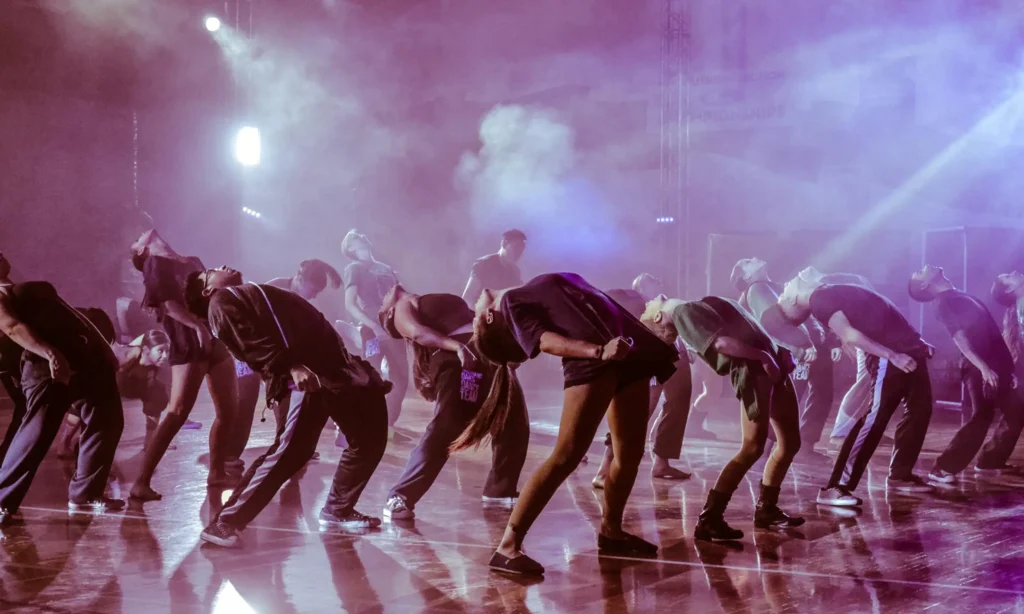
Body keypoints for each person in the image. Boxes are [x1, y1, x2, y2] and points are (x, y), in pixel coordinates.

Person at [461, 272, 677, 576]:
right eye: (477, 315)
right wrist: (598, 351)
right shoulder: (511, 300)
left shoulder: (531, 289)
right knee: (567, 455)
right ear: (491, 316)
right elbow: (544, 340)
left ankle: (611, 532)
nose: (480, 294)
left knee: (629, 453)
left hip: (629, 358)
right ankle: (507, 548)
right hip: (595, 360)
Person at [184, 265, 391, 547]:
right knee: (292, 450)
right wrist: (292, 367)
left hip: (332, 372)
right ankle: (225, 522)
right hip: (304, 376)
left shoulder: (249, 292)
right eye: (211, 271)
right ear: (208, 290)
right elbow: (250, 342)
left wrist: (352, 368)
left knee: (368, 437)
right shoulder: (223, 301)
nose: (221, 266)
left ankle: (338, 509)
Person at [642, 294, 804, 541]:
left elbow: (741, 334)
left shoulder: (693, 307)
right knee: (752, 448)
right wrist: (765, 356)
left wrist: (776, 352)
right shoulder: (685, 310)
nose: (648, 302)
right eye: (646, 307)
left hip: (769, 368)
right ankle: (710, 518)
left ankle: (767, 509)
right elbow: (722, 345)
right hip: (755, 373)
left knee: (789, 443)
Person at [778, 276, 935, 507]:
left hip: (909, 351)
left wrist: (916, 341)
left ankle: (900, 475)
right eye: (784, 291)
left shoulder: (826, 290)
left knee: (921, 410)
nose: (785, 284)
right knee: (874, 419)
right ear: (792, 300)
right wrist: (892, 355)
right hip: (889, 356)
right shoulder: (818, 300)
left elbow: (882, 314)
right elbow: (850, 335)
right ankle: (834, 487)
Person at [377, 284, 529, 521]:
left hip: (487, 356)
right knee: (448, 425)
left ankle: (500, 490)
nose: (384, 294)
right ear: (388, 313)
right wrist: (457, 347)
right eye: (382, 302)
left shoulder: (420, 297)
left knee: (512, 421)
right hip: (463, 362)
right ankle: (401, 495)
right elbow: (418, 333)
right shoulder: (402, 306)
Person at [0, 252, 125, 523]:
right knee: (36, 433)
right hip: (47, 367)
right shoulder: (3, 295)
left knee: (108, 420)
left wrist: (105, 349)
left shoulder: (31, 288)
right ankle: (1, 501)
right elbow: (11, 327)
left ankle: (86, 494)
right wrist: (50, 353)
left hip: (86, 359)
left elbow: (78, 318)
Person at [128, 230, 239, 501]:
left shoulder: (192, 260)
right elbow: (168, 305)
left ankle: (216, 472)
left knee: (228, 408)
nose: (144, 233)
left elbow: (209, 295)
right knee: (177, 412)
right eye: (138, 238)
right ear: (142, 251)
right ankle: (141, 482)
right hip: (188, 341)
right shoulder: (155, 263)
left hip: (212, 338)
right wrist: (197, 327)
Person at [908, 266, 1020, 483]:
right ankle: (941, 469)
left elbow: (991, 332)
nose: (925, 266)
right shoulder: (943, 303)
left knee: (1015, 415)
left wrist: (1007, 368)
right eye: (920, 272)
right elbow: (960, 339)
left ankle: (990, 461)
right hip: (979, 368)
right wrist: (984, 368)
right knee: (981, 417)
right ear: (925, 285)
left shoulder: (959, 295)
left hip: (997, 366)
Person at [231, 259, 342, 463]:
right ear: (299, 277)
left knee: (284, 397)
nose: (314, 295)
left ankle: (288, 446)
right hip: (248, 351)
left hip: (274, 354)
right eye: (313, 289)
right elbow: (253, 326)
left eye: (318, 292)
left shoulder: (301, 299)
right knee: (245, 401)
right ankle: (229, 456)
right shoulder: (273, 290)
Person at [730, 258, 837, 460]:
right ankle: (763, 453)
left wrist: (826, 340)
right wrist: (801, 347)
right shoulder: (757, 288)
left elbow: (807, 315)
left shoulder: (775, 287)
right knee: (791, 399)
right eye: (746, 262)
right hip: (798, 352)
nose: (752, 258)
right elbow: (772, 323)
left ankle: (804, 446)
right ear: (746, 276)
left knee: (821, 394)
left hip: (812, 349)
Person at [591, 287, 692, 489]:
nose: (658, 295)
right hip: (650, 349)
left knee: (679, 399)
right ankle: (603, 471)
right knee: (638, 412)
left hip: (669, 349)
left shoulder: (660, 320)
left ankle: (662, 463)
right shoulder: (634, 313)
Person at [56, 327, 172, 458]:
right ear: (145, 350)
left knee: (158, 394)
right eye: (161, 351)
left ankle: (149, 444)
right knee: (87, 398)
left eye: (167, 351)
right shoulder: (127, 356)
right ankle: (64, 444)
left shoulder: (157, 363)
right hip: (106, 381)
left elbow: (148, 338)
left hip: (131, 383)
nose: (165, 356)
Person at [633, 273, 717, 440]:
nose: (658, 281)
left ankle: (658, 447)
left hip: (674, 358)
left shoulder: (665, 303)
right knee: (651, 401)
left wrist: (689, 349)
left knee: (674, 402)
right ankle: (630, 439)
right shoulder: (639, 307)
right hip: (653, 360)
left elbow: (678, 330)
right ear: (642, 287)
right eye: (651, 280)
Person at [341, 230, 408, 429]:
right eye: (355, 238)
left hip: (394, 328)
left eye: (361, 235)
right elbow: (350, 304)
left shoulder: (386, 269)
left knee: (401, 378)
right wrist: (372, 326)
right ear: (350, 248)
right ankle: (361, 423)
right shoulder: (354, 268)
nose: (361, 237)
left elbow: (400, 297)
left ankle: (386, 424)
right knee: (373, 376)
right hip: (371, 331)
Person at [462, 229, 527, 305]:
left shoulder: (516, 272)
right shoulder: (484, 263)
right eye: (516, 247)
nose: (519, 252)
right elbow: (468, 297)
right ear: (504, 243)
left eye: (521, 249)